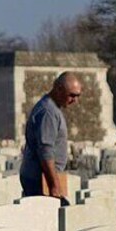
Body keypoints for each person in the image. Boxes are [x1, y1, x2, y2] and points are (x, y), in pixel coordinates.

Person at [19, 71, 82, 205]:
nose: (75, 100)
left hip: (44, 178)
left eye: (78, 96)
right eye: (72, 95)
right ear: (58, 89)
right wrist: (54, 185)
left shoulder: (52, 108)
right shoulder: (48, 112)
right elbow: (45, 151)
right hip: (41, 179)